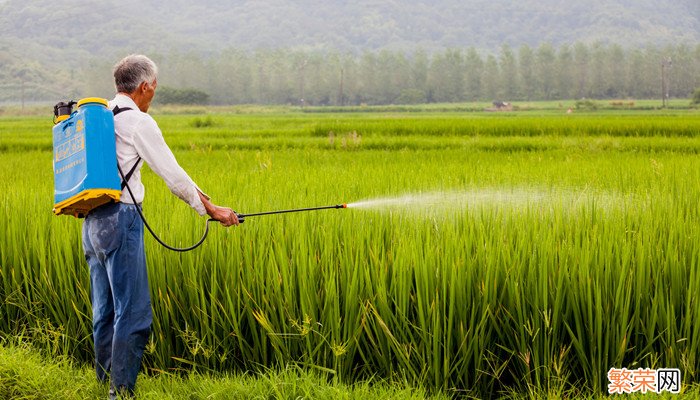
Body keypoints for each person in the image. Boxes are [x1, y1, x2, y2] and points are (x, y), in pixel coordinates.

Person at [81, 54, 239, 399]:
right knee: (134, 314)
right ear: (145, 86)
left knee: (104, 310)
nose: (154, 93)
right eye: (154, 87)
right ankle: (120, 393)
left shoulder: (100, 116)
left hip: (92, 223)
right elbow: (173, 175)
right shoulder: (138, 122)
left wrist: (206, 202)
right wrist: (209, 209)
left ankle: (103, 384)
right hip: (121, 220)